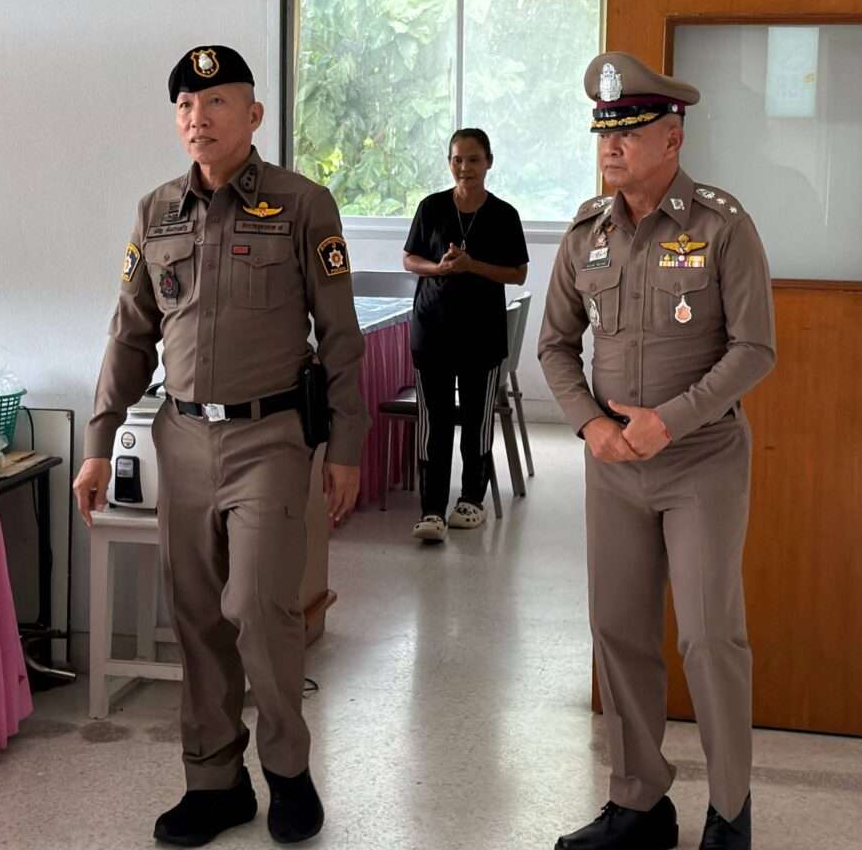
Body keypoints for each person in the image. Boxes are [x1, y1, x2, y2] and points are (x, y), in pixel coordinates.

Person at [72, 45, 369, 847]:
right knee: (198, 615)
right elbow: (129, 335)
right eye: (184, 106)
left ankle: (288, 771)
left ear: (253, 115)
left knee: (260, 609)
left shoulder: (302, 205)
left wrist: (346, 445)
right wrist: (99, 440)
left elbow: (340, 337)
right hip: (182, 437)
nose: (196, 118)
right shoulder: (156, 212)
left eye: (215, 103)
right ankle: (214, 781)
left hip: (269, 437)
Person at [538, 52, 776, 850]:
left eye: (629, 131)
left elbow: (754, 348)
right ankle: (640, 803)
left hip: (700, 462)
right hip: (614, 468)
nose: (610, 146)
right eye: (603, 131)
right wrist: (591, 425)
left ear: (672, 138)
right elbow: (554, 346)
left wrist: (668, 421)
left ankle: (730, 812)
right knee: (618, 632)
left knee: (709, 637)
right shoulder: (587, 232)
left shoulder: (721, 225)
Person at [402, 128, 529, 542]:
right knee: (434, 424)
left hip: (481, 336)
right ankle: (431, 509)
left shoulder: (504, 214)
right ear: (449, 162)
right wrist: (438, 269)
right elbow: (409, 258)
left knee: (476, 421)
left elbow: (518, 273)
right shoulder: (432, 207)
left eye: (473, 159)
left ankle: (471, 499)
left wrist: (472, 266)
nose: (464, 167)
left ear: (488, 162)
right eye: (457, 159)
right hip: (432, 332)